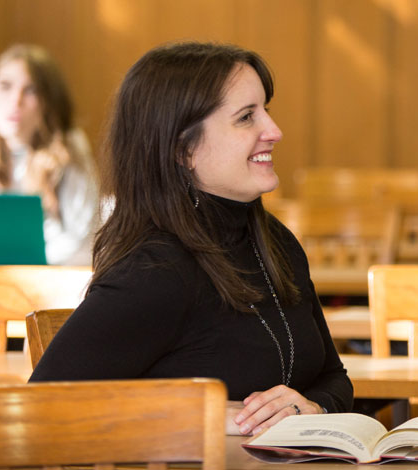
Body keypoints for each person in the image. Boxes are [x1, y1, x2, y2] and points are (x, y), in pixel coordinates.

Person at [29, 42, 353, 436]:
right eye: (247, 117)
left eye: (266, 110)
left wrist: (313, 407)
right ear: (184, 150)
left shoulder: (277, 243)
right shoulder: (155, 270)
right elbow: (41, 406)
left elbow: (334, 377)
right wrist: (196, 415)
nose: (274, 131)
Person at [0, 44, 98, 265]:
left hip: (52, 280)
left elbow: (81, 243)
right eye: (5, 86)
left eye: (31, 90)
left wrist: (41, 207)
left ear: (49, 101)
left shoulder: (70, 146)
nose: (15, 101)